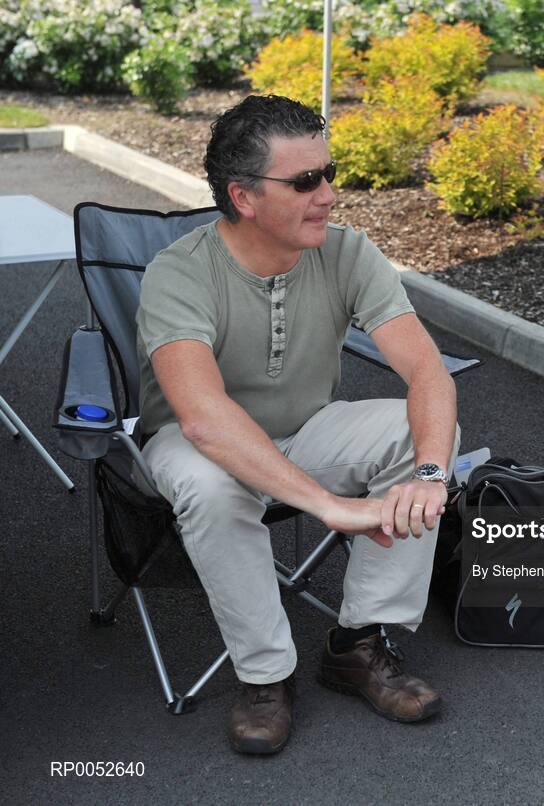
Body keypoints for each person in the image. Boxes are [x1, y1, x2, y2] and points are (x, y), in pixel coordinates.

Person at [135, 95, 460, 754]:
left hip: (306, 430)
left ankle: (358, 644)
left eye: (328, 172)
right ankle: (264, 676)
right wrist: (328, 506)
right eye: (305, 181)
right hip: (196, 446)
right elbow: (201, 418)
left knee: (421, 432)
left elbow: (428, 375)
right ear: (244, 197)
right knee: (207, 481)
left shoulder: (347, 254)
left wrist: (430, 476)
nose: (329, 195)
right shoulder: (179, 273)